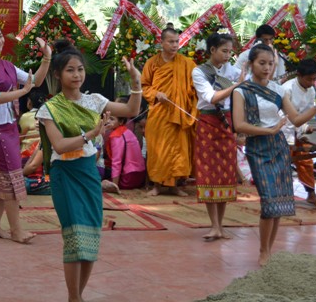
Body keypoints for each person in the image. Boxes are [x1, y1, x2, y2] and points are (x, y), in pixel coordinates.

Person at [37, 42, 141, 302]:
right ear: (58, 75)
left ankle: (78, 296)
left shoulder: (95, 101)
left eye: (80, 69)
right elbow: (59, 145)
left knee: (91, 235)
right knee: (74, 237)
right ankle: (74, 297)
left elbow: (131, 110)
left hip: (88, 173)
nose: (77, 75)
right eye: (70, 70)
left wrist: (136, 83)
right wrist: (91, 134)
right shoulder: (49, 109)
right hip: (65, 174)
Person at [232, 43, 316, 267]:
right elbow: (239, 125)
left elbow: (295, 119)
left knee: (279, 202)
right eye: (262, 63)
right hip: (258, 147)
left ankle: (269, 249)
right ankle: (263, 251)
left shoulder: (278, 89)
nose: (267, 68)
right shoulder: (241, 91)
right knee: (268, 200)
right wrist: (268, 130)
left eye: (270, 64)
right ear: (251, 64)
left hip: (278, 146)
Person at [0, 13, 51, 243]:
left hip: (7, 125)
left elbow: (36, 82)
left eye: (0, 37)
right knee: (12, 176)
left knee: (3, 177)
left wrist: (46, 58)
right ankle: (16, 230)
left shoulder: (5, 65)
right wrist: (23, 92)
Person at [191, 33, 245, 241]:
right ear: (212, 50)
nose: (227, 55)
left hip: (227, 124)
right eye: (224, 51)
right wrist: (236, 86)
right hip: (208, 123)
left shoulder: (232, 71)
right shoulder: (199, 72)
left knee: (225, 174)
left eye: (230, 52)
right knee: (208, 173)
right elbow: (211, 97)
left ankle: (220, 226)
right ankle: (213, 225)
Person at [141, 24, 198, 196]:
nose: (175, 45)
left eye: (177, 42)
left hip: (179, 114)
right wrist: (156, 93)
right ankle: (157, 185)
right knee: (158, 149)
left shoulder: (187, 64)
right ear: (162, 43)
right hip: (159, 114)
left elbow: (197, 86)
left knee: (178, 150)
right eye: (171, 42)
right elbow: (144, 87)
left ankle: (174, 186)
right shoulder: (152, 63)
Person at [282, 59, 316, 206]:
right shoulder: (287, 88)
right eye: (309, 79)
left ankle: (311, 193)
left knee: (306, 159)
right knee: (284, 163)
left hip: (300, 130)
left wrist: (304, 130)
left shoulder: (311, 90)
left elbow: (307, 114)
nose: (312, 82)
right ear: (299, 75)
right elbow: (284, 117)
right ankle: (283, 195)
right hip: (283, 130)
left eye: (314, 79)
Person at [104, 113, 146, 190]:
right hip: (140, 176)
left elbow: (117, 161)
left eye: (112, 119)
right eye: (108, 118)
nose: (108, 121)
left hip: (128, 178)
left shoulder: (116, 135)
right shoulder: (127, 131)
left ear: (121, 122)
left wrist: (114, 185)